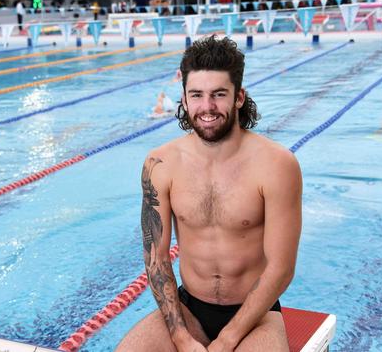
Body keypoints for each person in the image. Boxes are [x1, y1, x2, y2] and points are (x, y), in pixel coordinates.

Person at [117, 35, 302, 352]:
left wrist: (228, 339)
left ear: (239, 97)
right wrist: (180, 337)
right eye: (197, 95)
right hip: (189, 311)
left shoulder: (276, 164)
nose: (207, 107)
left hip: (256, 316)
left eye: (218, 94)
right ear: (185, 99)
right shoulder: (160, 164)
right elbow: (157, 259)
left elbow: (281, 268)